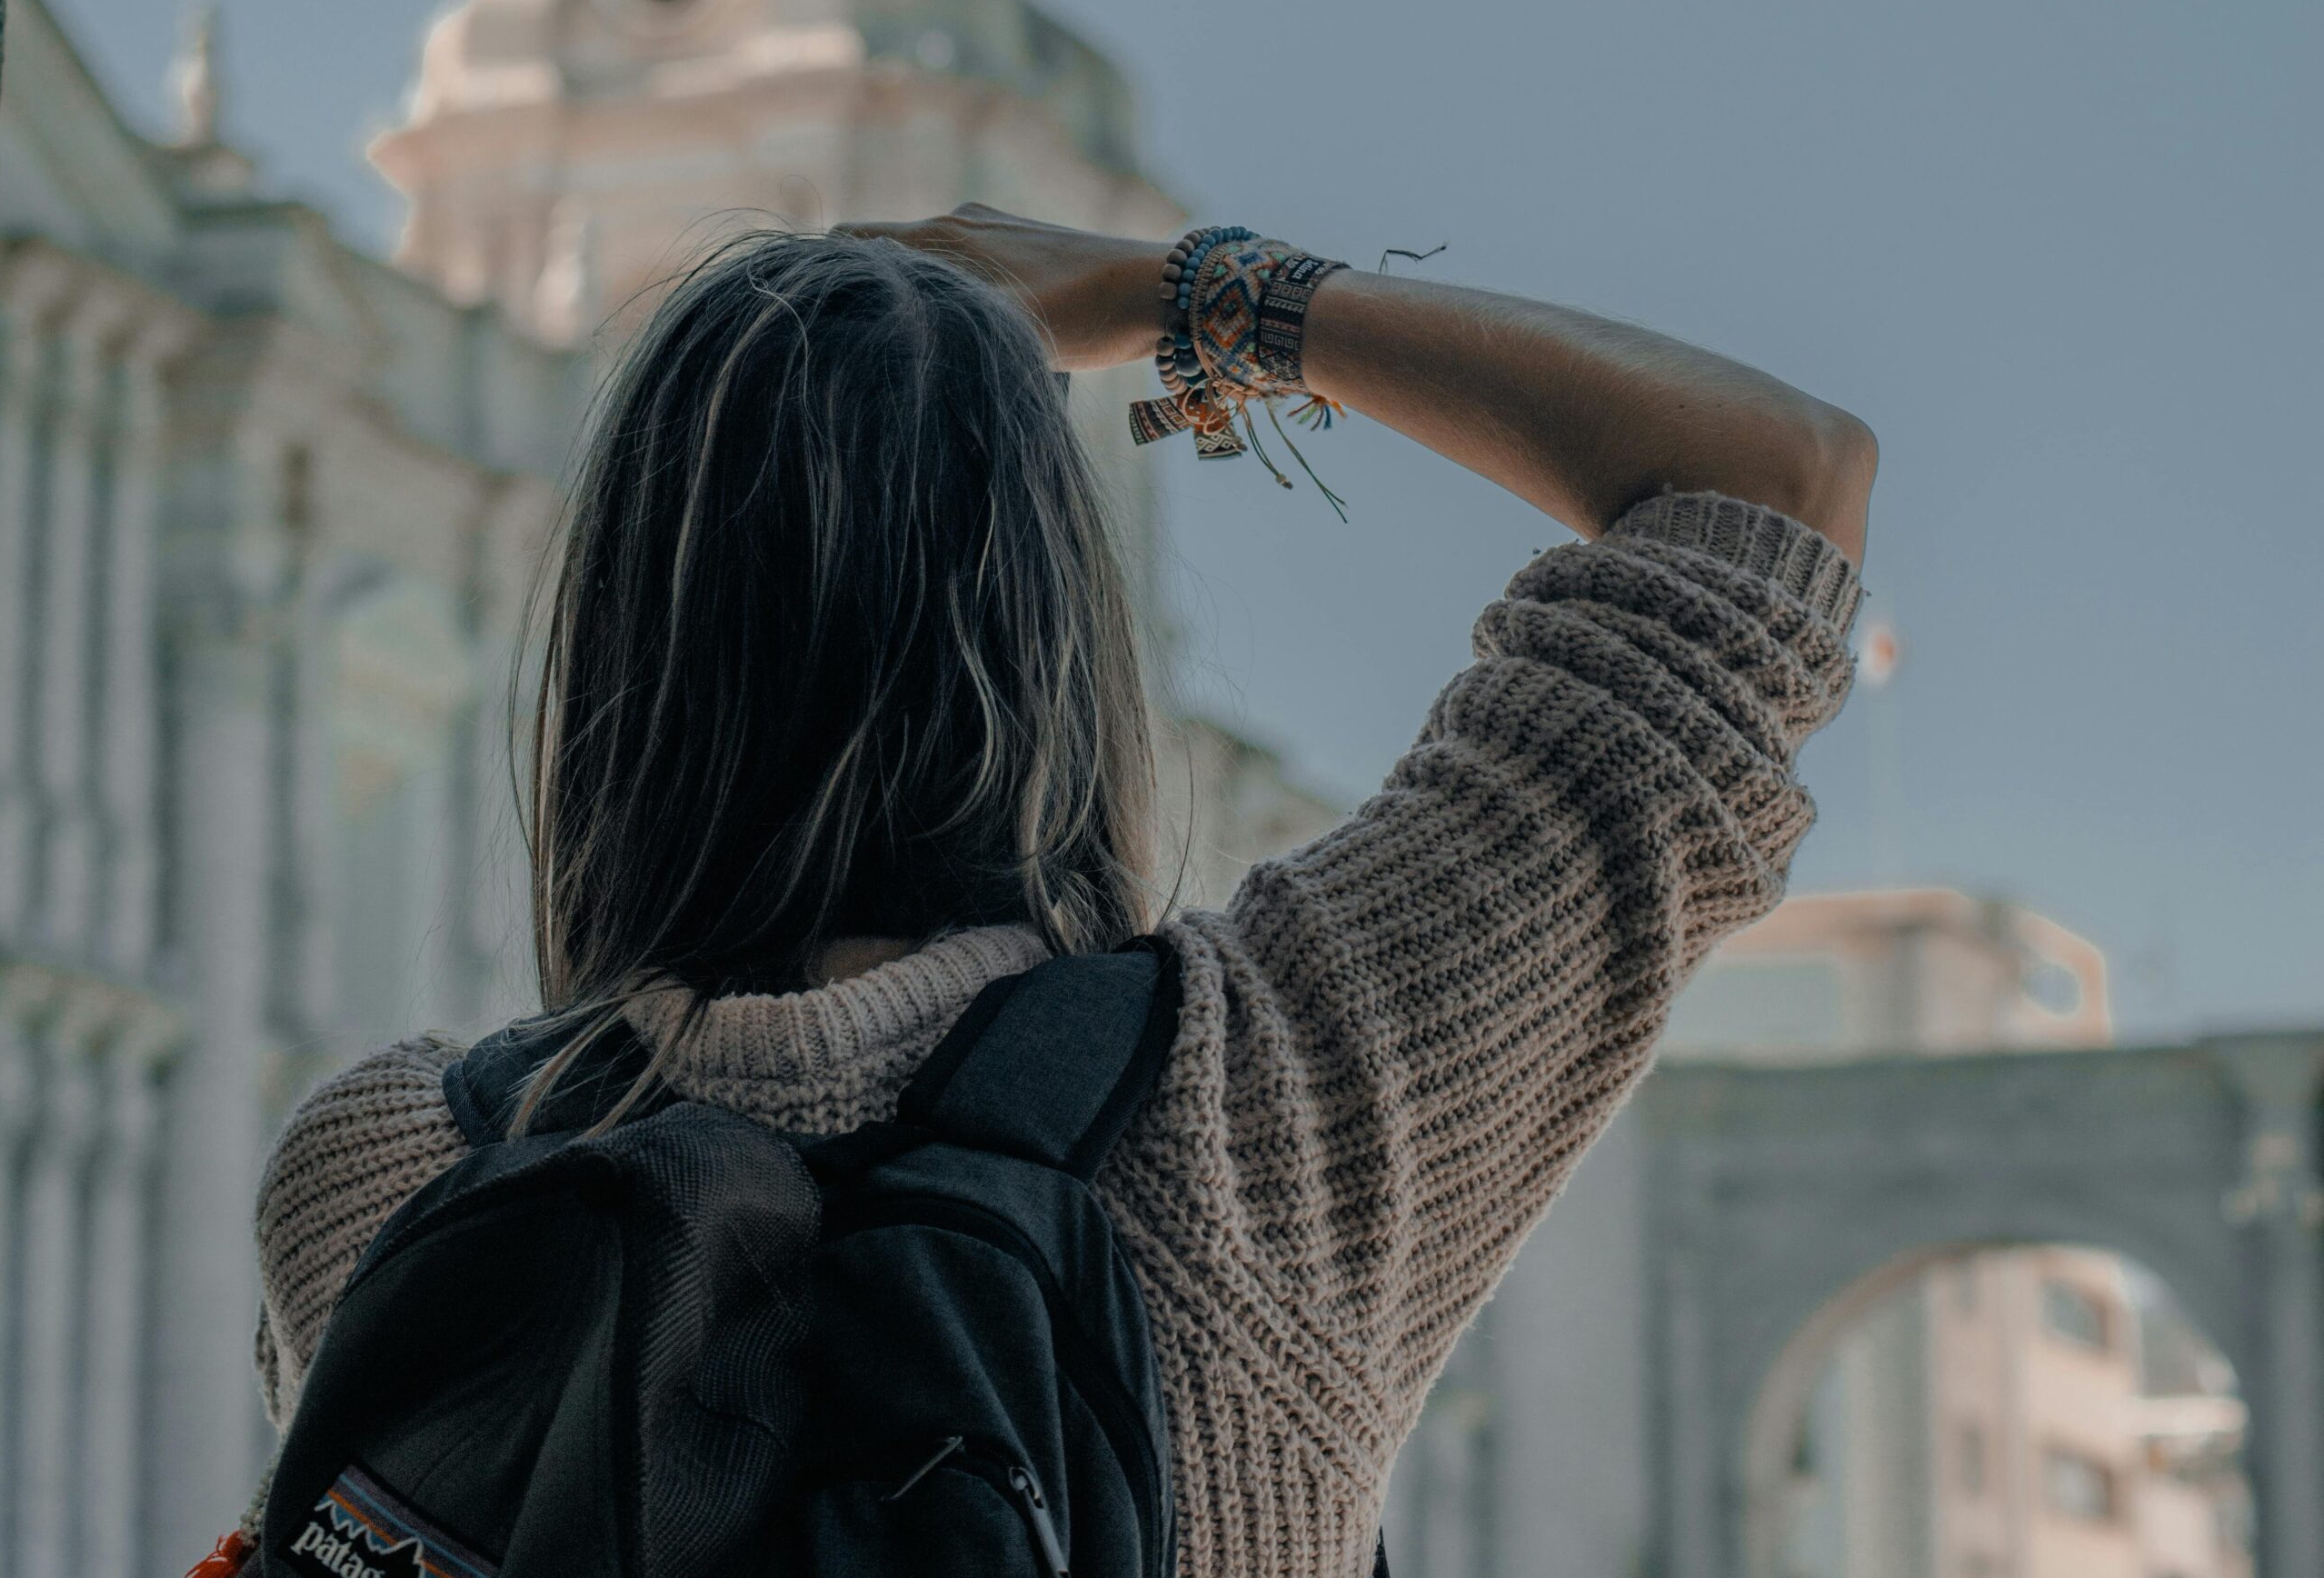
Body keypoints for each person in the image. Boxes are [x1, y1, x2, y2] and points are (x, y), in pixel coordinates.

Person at [250, 206, 1875, 1578]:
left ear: (617, 655)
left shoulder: (384, 1171)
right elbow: (1774, 483)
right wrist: (1164, 293)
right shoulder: (1282, 1106)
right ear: (1059, 632)